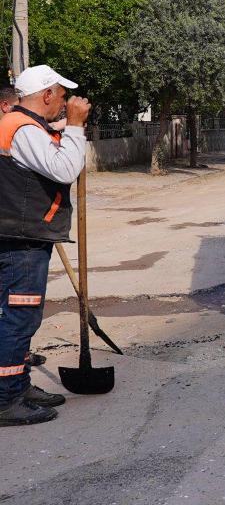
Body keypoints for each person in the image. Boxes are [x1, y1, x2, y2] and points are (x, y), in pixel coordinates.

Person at [0, 65, 90, 427]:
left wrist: (65, 130)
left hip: (22, 235)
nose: (65, 102)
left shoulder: (22, 125)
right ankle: (6, 399)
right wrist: (78, 127)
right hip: (21, 240)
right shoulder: (22, 129)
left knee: (20, 317)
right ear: (47, 95)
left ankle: (19, 386)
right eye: (63, 96)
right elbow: (65, 168)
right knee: (19, 319)